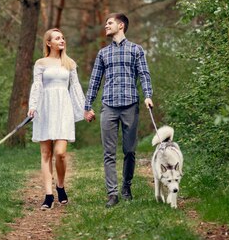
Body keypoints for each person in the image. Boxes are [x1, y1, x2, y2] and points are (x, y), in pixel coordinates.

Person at [84, 13, 153, 208]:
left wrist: (148, 95)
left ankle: (126, 186)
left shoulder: (136, 50)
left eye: (110, 23)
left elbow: (144, 75)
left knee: (129, 151)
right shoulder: (102, 53)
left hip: (130, 104)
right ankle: (112, 194)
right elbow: (95, 81)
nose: (106, 26)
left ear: (121, 25)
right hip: (109, 106)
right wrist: (87, 106)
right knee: (109, 152)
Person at [28, 28, 86, 210]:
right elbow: (37, 85)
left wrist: (85, 109)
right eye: (57, 38)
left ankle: (60, 186)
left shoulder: (69, 63)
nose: (62, 40)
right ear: (48, 43)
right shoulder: (41, 63)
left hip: (63, 109)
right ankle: (48, 195)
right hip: (45, 108)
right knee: (46, 153)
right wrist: (33, 105)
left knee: (60, 153)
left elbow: (75, 87)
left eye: (62, 38)